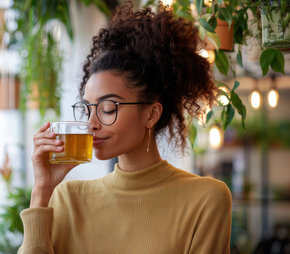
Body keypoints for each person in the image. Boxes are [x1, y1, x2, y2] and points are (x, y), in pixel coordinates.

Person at [18, 2, 232, 253]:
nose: (91, 124)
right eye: (88, 108)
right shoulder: (67, 198)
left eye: (108, 108)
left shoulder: (206, 199)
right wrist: (42, 190)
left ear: (151, 114)